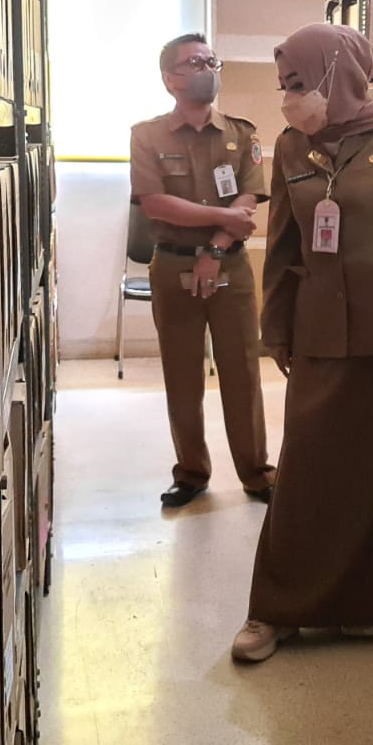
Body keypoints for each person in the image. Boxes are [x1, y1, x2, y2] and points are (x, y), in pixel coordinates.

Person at [232, 24, 373, 663]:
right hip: (321, 332)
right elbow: (283, 244)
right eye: (284, 85)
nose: (289, 97)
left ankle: (369, 602)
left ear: (337, 74)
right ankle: (276, 607)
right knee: (308, 471)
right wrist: (277, 328)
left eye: (299, 83)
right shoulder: (290, 146)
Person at [129, 33, 276, 509]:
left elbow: (247, 201)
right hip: (173, 266)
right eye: (194, 63)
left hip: (230, 265)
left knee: (243, 373)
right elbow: (155, 204)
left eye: (212, 61)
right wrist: (220, 217)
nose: (208, 69)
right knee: (182, 376)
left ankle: (256, 472)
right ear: (170, 79)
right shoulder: (147, 135)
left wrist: (215, 247)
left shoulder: (242, 133)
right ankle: (191, 472)